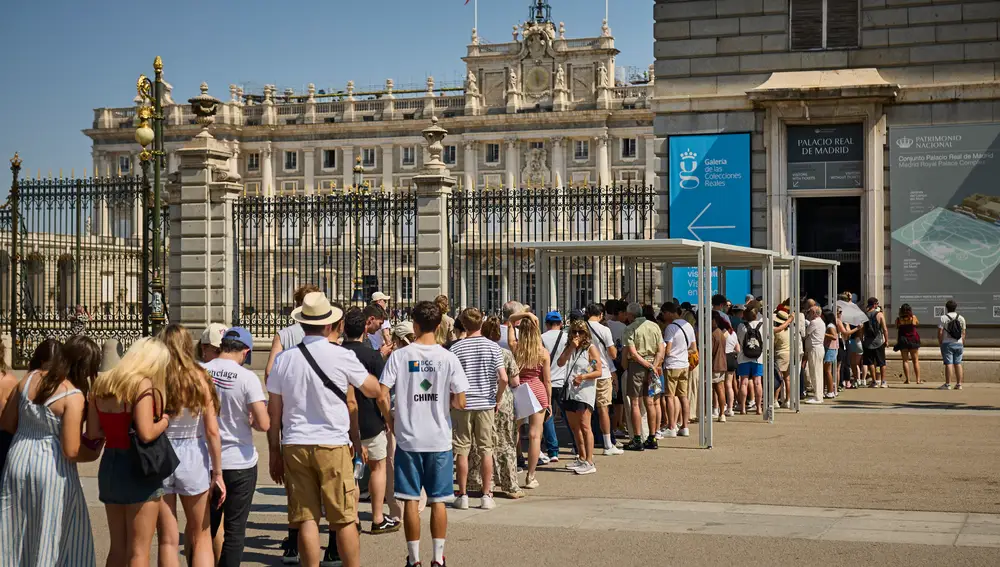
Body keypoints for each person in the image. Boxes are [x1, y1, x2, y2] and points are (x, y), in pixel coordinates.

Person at [267, 292, 381, 567]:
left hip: (294, 443)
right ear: (330, 325)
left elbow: (274, 413)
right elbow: (372, 388)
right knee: (342, 518)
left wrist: (274, 452)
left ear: (303, 324)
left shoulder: (284, 360)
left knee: (306, 517)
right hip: (332, 443)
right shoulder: (340, 355)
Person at [377, 301, 469, 567]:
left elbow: (383, 394)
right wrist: (444, 400)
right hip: (438, 437)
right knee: (439, 500)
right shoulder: (448, 357)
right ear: (439, 325)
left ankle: (414, 559)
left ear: (414, 325)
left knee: (410, 501)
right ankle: (438, 558)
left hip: (408, 437)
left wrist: (390, 418)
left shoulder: (400, 355)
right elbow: (461, 401)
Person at [0, 336, 103, 567]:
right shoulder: (72, 395)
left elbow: (7, 422)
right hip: (51, 468)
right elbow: (71, 449)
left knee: (15, 529)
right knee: (50, 532)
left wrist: (31, 429)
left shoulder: (28, 379)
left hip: (18, 457)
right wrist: (95, 452)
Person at [89, 337, 172, 567]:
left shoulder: (102, 384)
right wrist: (165, 420)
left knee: (117, 548)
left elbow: (94, 431)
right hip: (137, 467)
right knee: (139, 551)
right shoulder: (140, 385)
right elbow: (146, 433)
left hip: (111, 464)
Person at [156, 324, 226, 567]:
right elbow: (212, 431)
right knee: (201, 534)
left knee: (167, 539)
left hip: (162, 452)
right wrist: (218, 472)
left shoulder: (155, 375)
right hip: (193, 453)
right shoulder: (199, 376)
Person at [204, 327, 270, 567]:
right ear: (246, 351)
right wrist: (253, 419)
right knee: (234, 530)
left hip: (205, 461)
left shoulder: (200, 372)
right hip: (240, 461)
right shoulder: (247, 377)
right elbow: (264, 424)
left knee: (203, 529)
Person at [340, 308, 401, 534]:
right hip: (371, 420)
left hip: (345, 421)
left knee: (351, 472)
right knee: (377, 467)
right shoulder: (372, 356)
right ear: (365, 328)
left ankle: (352, 517)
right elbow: (382, 394)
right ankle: (377, 517)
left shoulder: (336, 353)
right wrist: (387, 418)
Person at [448, 308, 509, 510]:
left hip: (463, 402)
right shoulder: (493, 347)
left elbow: (451, 379)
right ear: (481, 323)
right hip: (485, 402)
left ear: (464, 325)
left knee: (462, 450)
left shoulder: (456, 348)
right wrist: (497, 398)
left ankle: (463, 494)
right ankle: (486, 494)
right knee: (486, 450)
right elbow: (503, 378)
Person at [468, 317, 523, 498]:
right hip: (503, 400)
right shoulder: (504, 353)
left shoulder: (474, 351)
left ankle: (480, 482)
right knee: (505, 443)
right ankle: (510, 484)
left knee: (480, 444)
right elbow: (514, 381)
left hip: (480, 399)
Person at [507, 311, 553, 487]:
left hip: (519, 390)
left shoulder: (515, 347)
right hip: (537, 389)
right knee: (535, 435)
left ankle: (512, 470)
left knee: (514, 432)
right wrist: (548, 402)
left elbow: (510, 321)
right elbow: (547, 380)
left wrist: (525, 314)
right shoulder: (542, 352)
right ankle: (530, 476)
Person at [556, 319, 603, 475]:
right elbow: (560, 362)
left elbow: (598, 371)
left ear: (586, 334)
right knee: (575, 427)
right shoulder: (570, 348)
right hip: (570, 391)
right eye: (574, 332)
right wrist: (571, 347)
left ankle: (590, 460)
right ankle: (581, 457)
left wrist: (582, 377)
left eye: (580, 332)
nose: (577, 335)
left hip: (584, 392)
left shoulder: (591, 349)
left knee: (585, 426)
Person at [621, 302, 664, 451]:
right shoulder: (654, 326)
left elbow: (632, 353)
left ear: (630, 315)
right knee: (650, 402)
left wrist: (645, 364)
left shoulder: (630, 329)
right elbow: (661, 349)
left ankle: (637, 438)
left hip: (637, 366)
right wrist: (654, 365)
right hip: (653, 365)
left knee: (635, 403)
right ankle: (652, 437)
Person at [581, 303, 621, 455]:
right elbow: (613, 354)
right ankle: (607, 444)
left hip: (585, 372)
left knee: (585, 410)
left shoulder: (580, 328)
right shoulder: (604, 330)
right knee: (603, 408)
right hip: (603, 372)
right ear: (601, 314)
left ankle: (581, 443)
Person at [660, 302, 696, 437]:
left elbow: (667, 350)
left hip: (672, 365)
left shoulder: (670, 328)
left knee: (669, 396)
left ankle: (671, 426)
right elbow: (694, 348)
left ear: (669, 312)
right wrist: (683, 352)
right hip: (684, 364)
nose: (663, 316)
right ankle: (685, 426)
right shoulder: (689, 327)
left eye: (664, 313)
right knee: (683, 396)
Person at [540, 311, 569, 462]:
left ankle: (553, 451)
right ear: (560, 324)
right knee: (569, 416)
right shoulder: (566, 337)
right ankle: (577, 447)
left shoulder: (542, 338)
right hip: (563, 380)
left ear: (546, 324)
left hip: (547, 380)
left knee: (547, 416)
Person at [736, 302, 767, 413]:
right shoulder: (763, 325)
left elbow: (739, 340)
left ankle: (743, 408)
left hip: (743, 357)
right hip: (758, 358)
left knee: (743, 382)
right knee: (758, 382)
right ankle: (758, 407)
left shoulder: (741, 326)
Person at [604, 300, 628, 438]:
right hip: (618, 364)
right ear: (619, 313)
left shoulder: (605, 325)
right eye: (624, 313)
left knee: (607, 400)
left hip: (605, 364)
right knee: (619, 399)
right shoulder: (623, 327)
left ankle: (609, 427)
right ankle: (617, 425)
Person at [938, 300, 966, 390]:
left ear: (947, 308)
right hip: (959, 343)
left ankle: (948, 384)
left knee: (949, 363)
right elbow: (964, 332)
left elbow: (940, 331)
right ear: (955, 307)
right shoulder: (961, 318)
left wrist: (940, 342)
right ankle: (959, 384)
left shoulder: (943, 318)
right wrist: (962, 343)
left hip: (947, 343)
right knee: (958, 363)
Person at [862, 297, 889, 388]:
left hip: (868, 342)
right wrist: (886, 340)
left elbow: (862, 329)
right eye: (877, 303)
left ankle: (874, 382)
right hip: (879, 341)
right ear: (874, 304)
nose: (877, 305)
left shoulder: (864, 315)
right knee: (882, 362)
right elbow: (885, 329)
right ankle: (883, 381)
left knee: (871, 363)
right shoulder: (880, 315)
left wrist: (863, 340)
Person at [802, 306, 825, 405]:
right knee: (817, 373)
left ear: (815, 313)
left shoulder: (814, 322)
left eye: (810, 312)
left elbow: (806, 334)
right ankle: (818, 395)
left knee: (815, 373)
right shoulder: (821, 322)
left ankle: (818, 397)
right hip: (817, 349)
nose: (809, 314)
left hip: (815, 349)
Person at [894, 304, 921, 385]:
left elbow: (896, 327)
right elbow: (917, 323)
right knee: (915, 361)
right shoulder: (913, 317)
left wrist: (900, 314)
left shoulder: (899, 319)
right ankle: (918, 380)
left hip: (903, 340)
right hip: (913, 339)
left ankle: (908, 380)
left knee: (905, 361)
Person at [710, 312, 729, 423]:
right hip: (722, 363)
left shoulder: (713, 334)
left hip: (714, 364)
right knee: (720, 389)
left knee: (713, 389)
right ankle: (722, 413)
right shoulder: (721, 333)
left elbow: (710, 351)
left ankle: (717, 411)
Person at [773, 309, 792, 407]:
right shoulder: (789, 331)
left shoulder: (777, 332)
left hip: (780, 355)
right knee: (787, 378)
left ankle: (775, 399)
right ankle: (788, 400)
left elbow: (773, 344)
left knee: (778, 378)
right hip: (789, 354)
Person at [723, 311, 739, 417]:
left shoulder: (723, 333)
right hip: (733, 357)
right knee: (730, 384)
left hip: (724, 357)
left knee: (721, 384)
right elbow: (738, 349)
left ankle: (723, 405)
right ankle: (730, 407)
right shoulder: (734, 333)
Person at [822, 309, 839, 399]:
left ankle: (830, 391)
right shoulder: (832, 325)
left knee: (827, 371)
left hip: (830, 349)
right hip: (831, 349)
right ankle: (829, 390)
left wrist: (824, 334)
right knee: (827, 371)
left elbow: (834, 337)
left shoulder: (830, 326)